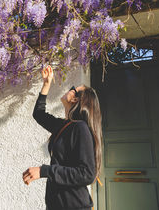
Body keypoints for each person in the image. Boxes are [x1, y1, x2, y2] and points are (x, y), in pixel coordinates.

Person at [23, 65, 103, 210]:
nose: (70, 89)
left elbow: (87, 174)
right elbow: (39, 114)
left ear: (76, 99)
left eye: (73, 88)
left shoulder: (80, 128)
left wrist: (44, 171)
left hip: (75, 205)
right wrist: (46, 84)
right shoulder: (64, 126)